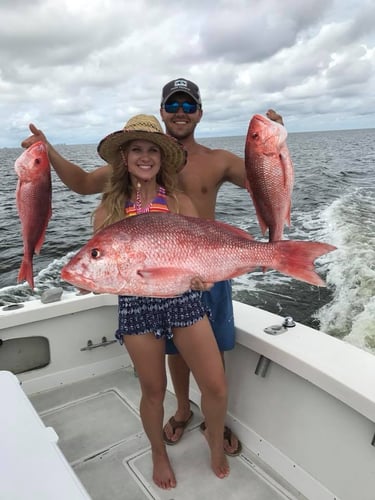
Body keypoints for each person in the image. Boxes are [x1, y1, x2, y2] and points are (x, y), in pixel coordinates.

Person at [21, 77, 283, 456]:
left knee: (215, 353)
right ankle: (181, 410)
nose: (180, 112)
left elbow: (264, 184)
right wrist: (45, 146)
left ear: (199, 112)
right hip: (146, 285)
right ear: (162, 113)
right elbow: (79, 182)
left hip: (208, 267)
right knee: (173, 358)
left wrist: (273, 145)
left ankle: (213, 421)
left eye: (188, 106)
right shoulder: (121, 179)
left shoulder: (219, 160)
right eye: (173, 106)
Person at [92, 113, 229, 489]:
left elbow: (200, 252)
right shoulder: (107, 211)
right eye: (136, 149)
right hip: (137, 306)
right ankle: (157, 451)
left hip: (183, 299)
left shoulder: (181, 202)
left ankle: (213, 441)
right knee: (153, 391)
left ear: (163, 158)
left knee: (215, 385)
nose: (145, 156)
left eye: (153, 149)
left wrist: (202, 279)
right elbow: (101, 264)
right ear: (124, 157)